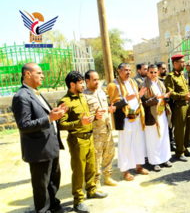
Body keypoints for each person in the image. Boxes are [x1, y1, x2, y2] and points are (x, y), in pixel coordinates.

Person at [12, 63, 68, 213]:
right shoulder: (21, 96)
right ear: (28, 74)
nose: (43, 75)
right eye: (39, 72)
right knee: (41, 186)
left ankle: (54, 206)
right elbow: (24, 125)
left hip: (50, 145)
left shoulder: (36, 92)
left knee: (53, 181)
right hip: (38, 150)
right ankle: (43, 210)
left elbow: (43, 115)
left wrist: (54, 113)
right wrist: (49, 118)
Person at [59, 71, 108, 213]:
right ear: (72, 84)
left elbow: (87, 117)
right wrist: (79, 122)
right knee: (79, 172)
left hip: (89, 136)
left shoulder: (82, 97)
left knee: (91, 167)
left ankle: (91, 190)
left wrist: (96, 116)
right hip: (77, 140)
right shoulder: (65, 102)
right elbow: (61, 125)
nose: (82, 85)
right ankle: (78, 201)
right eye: (80, 82)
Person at [107, 63, 149, 181]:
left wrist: (139, 96)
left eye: (130, 70)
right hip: (125, 119)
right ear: (119, 71)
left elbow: (135, 98)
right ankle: (126, 171)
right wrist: (126, 99)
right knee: (126, 146)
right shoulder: (113, 85)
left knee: (138, 143)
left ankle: (138, 166)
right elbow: (114, 105)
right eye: (126, 70)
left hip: (136, 116)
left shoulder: (132, 82)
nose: (128, 72)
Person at [83, 70, 117, 188]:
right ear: (87, 81)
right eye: (94, 80)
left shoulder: (101, 92)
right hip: (95, 132)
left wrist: (109, 110)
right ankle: (96, 182)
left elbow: (104, 108)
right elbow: (84, 116)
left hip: (107, 129)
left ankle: (108, 177)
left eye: (98, 79)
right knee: (96, 158)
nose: (97, 82)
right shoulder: (84, 96)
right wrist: (95, 117)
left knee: (109, 154)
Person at [141, 64, 173, 171]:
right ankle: (155, 162)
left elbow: (164, 97)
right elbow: (143, 102)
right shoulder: (144, 84)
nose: (153, 74)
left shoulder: (160, 83)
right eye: (151, 72)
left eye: (155, 72)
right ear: (147, 73)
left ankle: (165, 159)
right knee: (153, 139)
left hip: (162, 113)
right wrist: (156, 99)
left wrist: (166, 97)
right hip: (151, 115)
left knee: (164, 137)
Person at [165, 54, 190, 161]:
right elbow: (170, 92)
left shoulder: (183, 74)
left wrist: (189, 94)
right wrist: (184, 96)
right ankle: (179, 152)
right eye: (182, 62)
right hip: (178, 106)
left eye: (184, 62)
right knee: (180, 130)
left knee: (187, 128)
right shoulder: (171, 76)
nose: (184, 64)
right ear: (175, 63)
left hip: (187, 105)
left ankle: (185, 148)